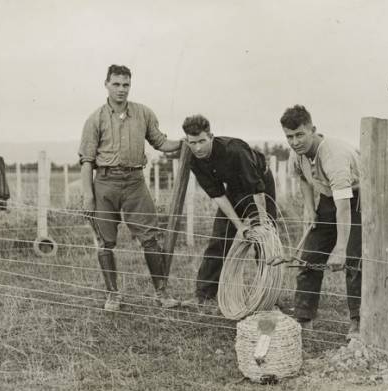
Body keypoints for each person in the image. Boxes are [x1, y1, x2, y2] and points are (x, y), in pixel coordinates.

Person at [79, 64, 182, 312]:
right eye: (116, 84)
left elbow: (160, 142)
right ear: (106, 84)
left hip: (135, 182)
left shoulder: (144, 113)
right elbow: (86, 161)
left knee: (151, 238)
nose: (121, 89)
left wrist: (186, 143)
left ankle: (161, 293)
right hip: (105, 183)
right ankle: (113, 295)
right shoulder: (95, 119)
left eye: (126, 84)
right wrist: (88, 196)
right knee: (105, 242)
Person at [280, 105, 361, 336]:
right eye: (289, 137)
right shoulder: (296, 153)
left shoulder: (333, 155)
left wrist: (341, 247)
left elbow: (343, 205)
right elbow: (303, 179)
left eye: (299, 135)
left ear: (313, 130)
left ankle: (358, 323)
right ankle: (304, 320)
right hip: (327, 198)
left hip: (357, 200)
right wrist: (309, 209)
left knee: (354, 261)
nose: (295, 142)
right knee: (309, 258)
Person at [181, 114, 276, 308]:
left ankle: (269, 298)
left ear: (211, 137)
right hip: (233, 188)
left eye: (201, 141)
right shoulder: (193, 159)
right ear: (187, 141)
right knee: (220, 237)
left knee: (264, 240)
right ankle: (204, 294)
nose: (197, 147)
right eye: (192, 142)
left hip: (259, 185)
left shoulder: (234, 150)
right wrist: (239, 225)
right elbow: (218, 195)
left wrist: (262, 222)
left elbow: (256, 189)